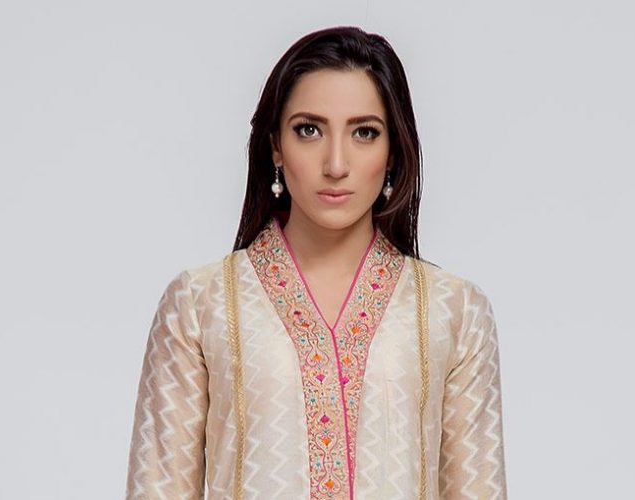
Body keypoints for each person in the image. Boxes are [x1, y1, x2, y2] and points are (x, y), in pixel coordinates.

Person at [125, 25, 508, 499]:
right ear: (275, 146)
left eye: (364, 132)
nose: (336, 164)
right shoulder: (200, 305)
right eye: (309, 130)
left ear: (393, 152)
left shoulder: (455, 311)